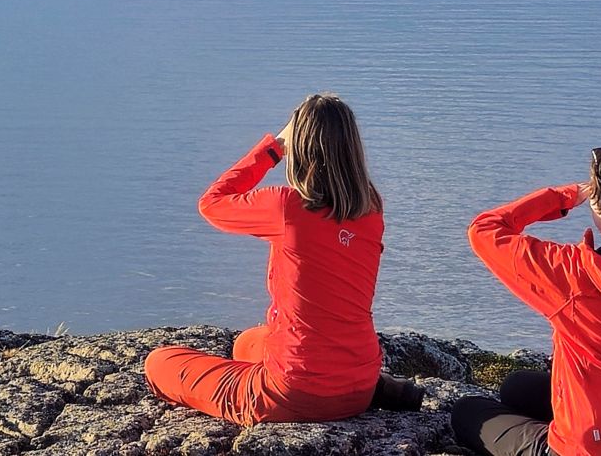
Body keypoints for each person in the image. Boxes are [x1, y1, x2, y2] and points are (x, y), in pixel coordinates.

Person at [144, 93, 412, 425]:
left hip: (292, 393)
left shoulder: (287, 207)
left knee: (159, 362)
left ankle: (334, 390)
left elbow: (212, 203)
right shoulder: (371, 208)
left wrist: (273, 149)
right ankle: (379, 389)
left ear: (300, 148)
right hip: (360, 382)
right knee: (245, 344)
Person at [451, 146, 601, 456]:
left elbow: (484, 229)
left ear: (599, 201)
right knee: (516, 386)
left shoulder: (570, 274)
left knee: (467, 411)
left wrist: (564, 196)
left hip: (584, 448)